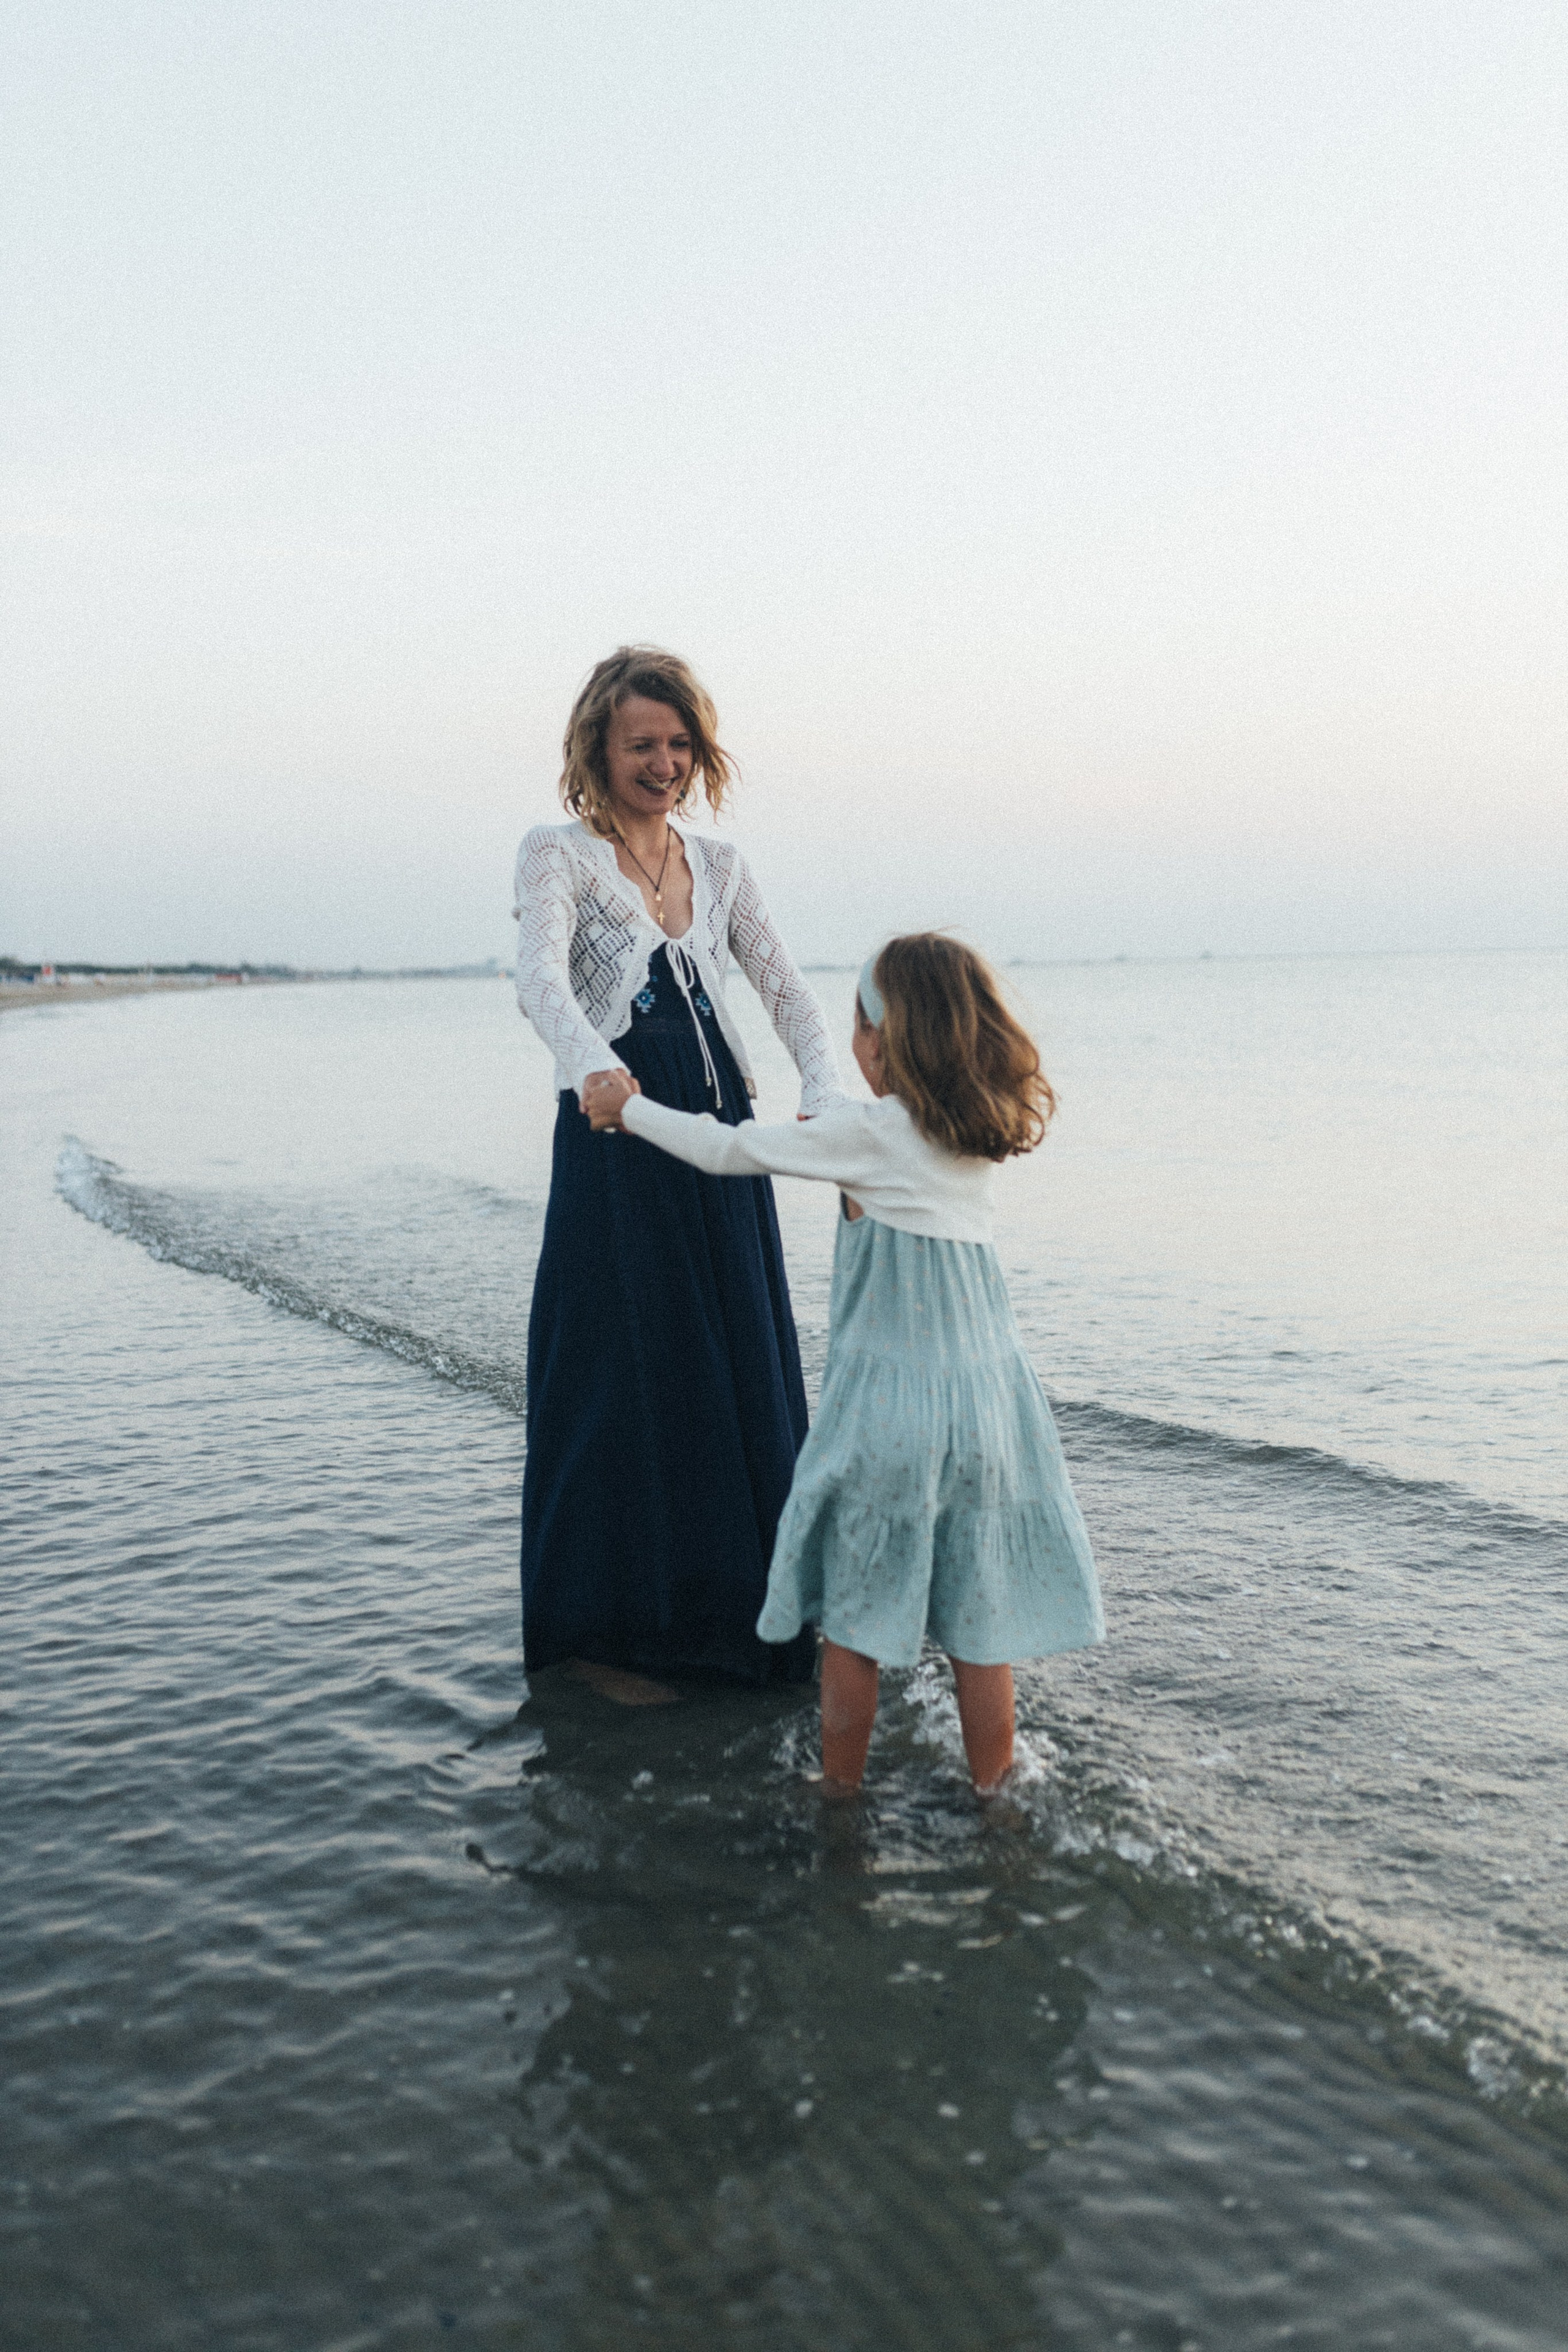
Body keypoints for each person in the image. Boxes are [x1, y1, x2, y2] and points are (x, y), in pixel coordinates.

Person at [583, 932, 1104, 1787]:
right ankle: (996, 1801)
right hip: (993, 1409)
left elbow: (726, 1150)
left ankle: (840, 1805)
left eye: (856, 1026)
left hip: (891, 1410)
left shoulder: (867, 1134)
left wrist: (625, 1108)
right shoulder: (977, 1133)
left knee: (855, 1618)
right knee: (981, 1628)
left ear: (881, 1039)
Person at [513, 647, 844, 1702]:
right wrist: (599, 1071)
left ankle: (756, 1617)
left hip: (724, 1143)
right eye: (641, 745)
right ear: (597, 753)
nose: (664, 764)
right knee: (628, 1378)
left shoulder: (725, 865)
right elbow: (540, 983)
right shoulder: (557, 855)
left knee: (739, 1363)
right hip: (619, 1137)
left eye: (679, 744)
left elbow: (788, 994)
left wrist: (824, 1097)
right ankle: (617, 1627)